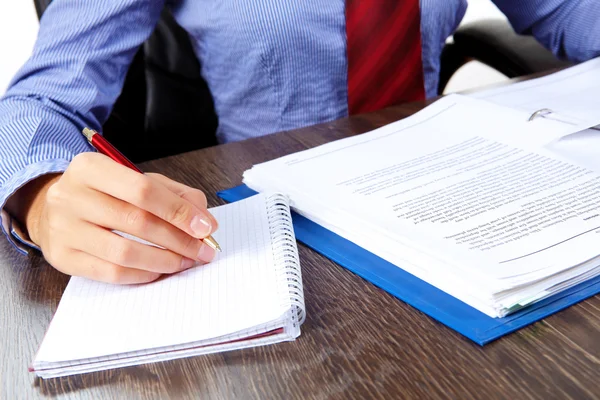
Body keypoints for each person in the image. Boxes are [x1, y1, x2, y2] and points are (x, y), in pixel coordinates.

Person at [1, 0, 599, 284]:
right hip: (278, 231)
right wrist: (42, 195)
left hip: (455, 199)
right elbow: (35, 104)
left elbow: (569, 10)